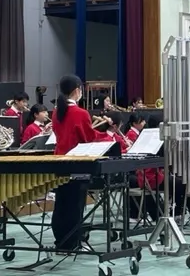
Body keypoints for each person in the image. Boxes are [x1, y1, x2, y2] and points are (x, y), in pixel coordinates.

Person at [51, 74, 111, 252]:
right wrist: (108, 134)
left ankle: (61, 241)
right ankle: (72, 243)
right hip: (77, 163)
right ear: (77, 90)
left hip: (59, 162)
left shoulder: (56, 112)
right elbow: (88, 138)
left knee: (61, 203)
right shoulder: (81, 113)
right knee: (75, 205)